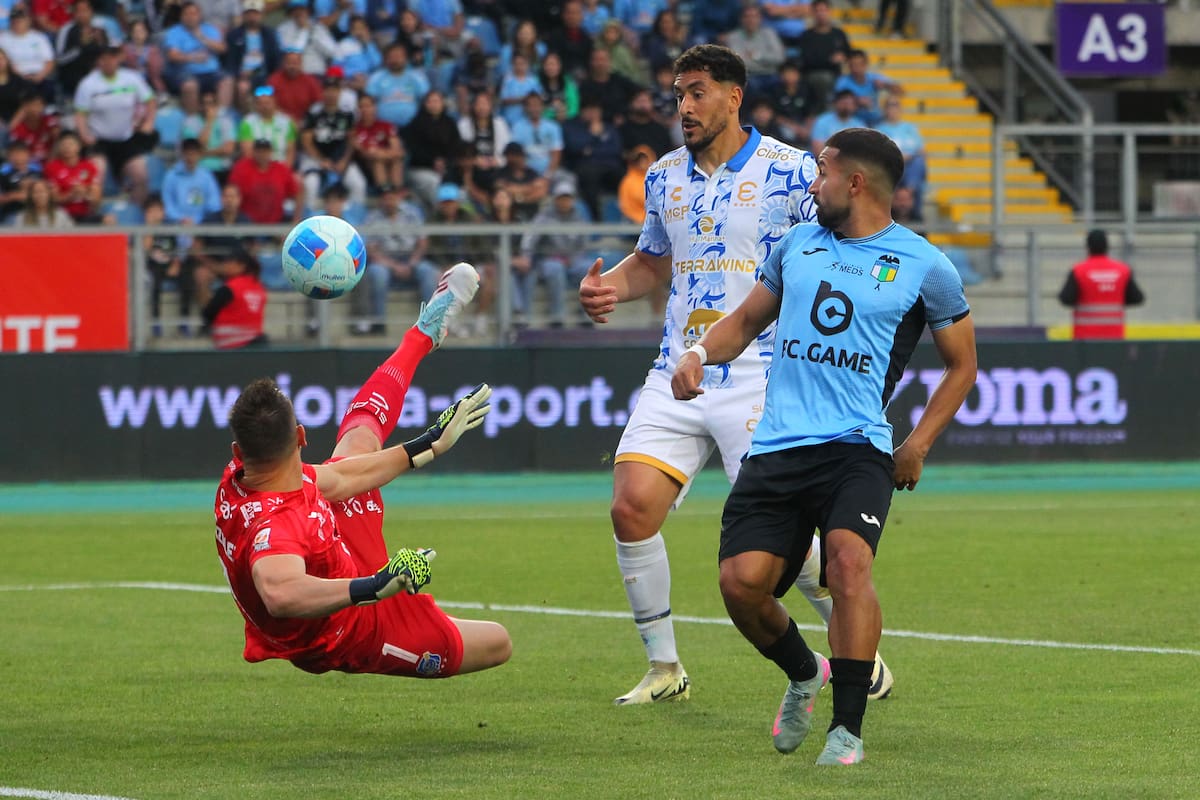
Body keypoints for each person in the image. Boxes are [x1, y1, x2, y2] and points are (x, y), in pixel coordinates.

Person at [578, 45, 893, 707]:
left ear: (733, 96)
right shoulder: (664, 176)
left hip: (763, 373)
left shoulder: (792, 171)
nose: (684, 107)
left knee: (788, 538)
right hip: (677, 368)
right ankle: (665, 670)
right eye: (677, 95)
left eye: (696, 93)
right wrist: (610, 287)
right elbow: (653, 262)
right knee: (630, 507)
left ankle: (858, 652)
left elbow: (836, 252)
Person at [670, 127, 976, 765]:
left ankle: (847, 732)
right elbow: (748, 321)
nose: (813, 184)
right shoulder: (796, 244)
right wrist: (698, 353)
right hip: (778, 446)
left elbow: (962, 365)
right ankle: (806, 672)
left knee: (846, 566)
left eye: (823, 173)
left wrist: (917, 443)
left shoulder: (923, 263)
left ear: (855, 182)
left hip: (857, 445)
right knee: (740, 585)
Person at [213, 264, 513, 682]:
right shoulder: (277, 526)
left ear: (237, 452)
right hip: (347, 628)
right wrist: (374, 585)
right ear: (301, 436)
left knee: (354, 448)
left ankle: (423, 334)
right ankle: (421, 336)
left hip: (332, 550)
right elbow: (280, 593)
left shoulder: (239, 476)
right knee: (499, 642)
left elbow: (338, 480)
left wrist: (428, 444)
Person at [73, 43, 157, 204]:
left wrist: (149, 122)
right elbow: (80, 113)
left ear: (117, 59)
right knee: (96, 177)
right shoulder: (88, 84)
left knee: (141, 177)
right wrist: (84, 134)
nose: (109, 62)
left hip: (125, 138)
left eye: (113, 57)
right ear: (99, 61)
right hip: (99, 140)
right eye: (105, 58)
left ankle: (133, 213)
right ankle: (98, 215)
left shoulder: (132, 78)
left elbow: (151, 101)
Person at [512, 177, 592, 328]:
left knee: (589, 268)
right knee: (555, 268)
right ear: (555, 199)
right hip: (549, 259)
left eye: (567, 198)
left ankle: (585, 314)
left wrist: (573, 258)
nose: (564, 201)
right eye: (561, 198)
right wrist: (526, 257)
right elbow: (530, 238)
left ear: (572, 199)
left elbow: (583, 245)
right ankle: (557, 316)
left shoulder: (579, 218)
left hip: (573, 260)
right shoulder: (544, 217)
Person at [1057, 229, 1144, 340]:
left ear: (1088, 247)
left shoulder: (1078, 270)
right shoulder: (1122, 270)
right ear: (1107, 247)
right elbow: (1138, 298)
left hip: (1085, 339)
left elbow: (1065, 299)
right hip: (1114, 337)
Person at [201, 246, 268, 349]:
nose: (226, 265)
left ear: (241, 265)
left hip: (232, 345)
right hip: (255, 342)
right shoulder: (259, 287)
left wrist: (204, 286)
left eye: (229, 262)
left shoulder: (230, 288)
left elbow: (208, 313)